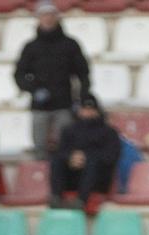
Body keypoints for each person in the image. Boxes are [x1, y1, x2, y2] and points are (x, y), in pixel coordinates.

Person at [14, 0, 90, 157]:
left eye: (50, 15)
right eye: (43, 15)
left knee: (66, 146)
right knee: (40, 148)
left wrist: (82, 99)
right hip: (40, 107)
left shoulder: (70, 45)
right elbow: (19, 74)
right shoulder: (31, 47)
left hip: (64, 104)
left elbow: (83, 73)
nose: (47, 19)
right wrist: (33, 90)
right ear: (38, 18)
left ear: (57, 17)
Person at [49, 95, 120, 209]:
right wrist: (71, 158)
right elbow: (60, 151)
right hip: (72, 176)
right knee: (57, 160)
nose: (87, 112)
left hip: (97, 180)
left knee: (92, 161)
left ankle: (81, 200)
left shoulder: (109, 132)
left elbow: (111, 156)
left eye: (91, 109)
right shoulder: (69, 130)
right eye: (84, 109)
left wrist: (85, 157)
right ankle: (56, 197)